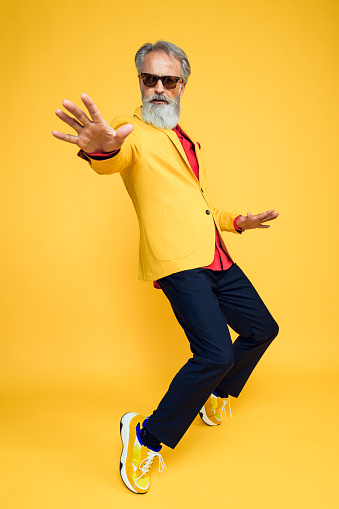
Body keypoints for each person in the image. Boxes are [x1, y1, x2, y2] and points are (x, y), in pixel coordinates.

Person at [53, 40, 279, 495]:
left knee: (261, 329)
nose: (158, 88)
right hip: (178, 263)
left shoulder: (184, 137)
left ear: (182, 85)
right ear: (140, 82)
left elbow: (197, 207)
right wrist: (99, 151)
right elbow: (112, 156)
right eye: (149, 79)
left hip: (215, 255)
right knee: (215, 353)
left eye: (168, 80)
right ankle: (146, 437)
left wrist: (237, 221)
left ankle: (216, 394)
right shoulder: (128, 130)